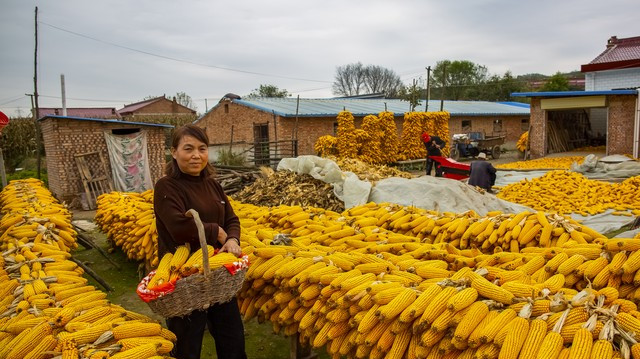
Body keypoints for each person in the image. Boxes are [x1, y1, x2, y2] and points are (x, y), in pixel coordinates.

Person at [154, 124, 247, 359]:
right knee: (188, 344)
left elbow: (232, 218)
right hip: (184, 279)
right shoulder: (167, 186)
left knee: (232, 338)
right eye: (188, 149)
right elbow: (178, 227)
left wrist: (233, 239)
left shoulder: (212, 184)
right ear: (174, 152)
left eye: (202, 148)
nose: (196, 155)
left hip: (217, 276)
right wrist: (217, 232)